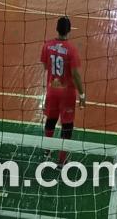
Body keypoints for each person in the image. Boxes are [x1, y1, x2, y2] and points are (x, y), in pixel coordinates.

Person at [40, 16, 86, 165]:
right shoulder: (71, 50)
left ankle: (47, 151)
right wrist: (82, 94)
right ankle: (61, 159)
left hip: (52, 90)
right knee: (67, 126)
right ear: (70, 30)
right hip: (66, 94)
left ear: (56, 29)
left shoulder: (47, 45)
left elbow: (46, 67)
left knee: (51, 121)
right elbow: (75, 74)